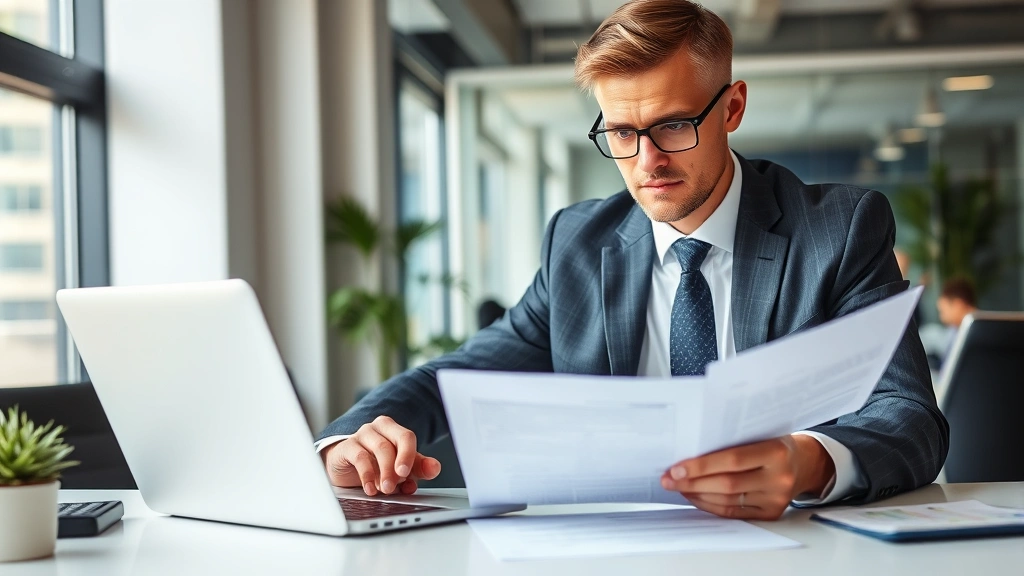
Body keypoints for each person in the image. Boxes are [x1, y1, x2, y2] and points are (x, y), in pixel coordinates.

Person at [317, 0, 948, 521]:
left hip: (795, 547)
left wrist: (808, 461)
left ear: (731, 108)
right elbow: (458, 376)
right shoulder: (578, 244)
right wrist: (349, 440)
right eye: (621, 132)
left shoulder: (838, 230)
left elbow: (911, 416)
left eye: (674, 125)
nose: (647, 161)